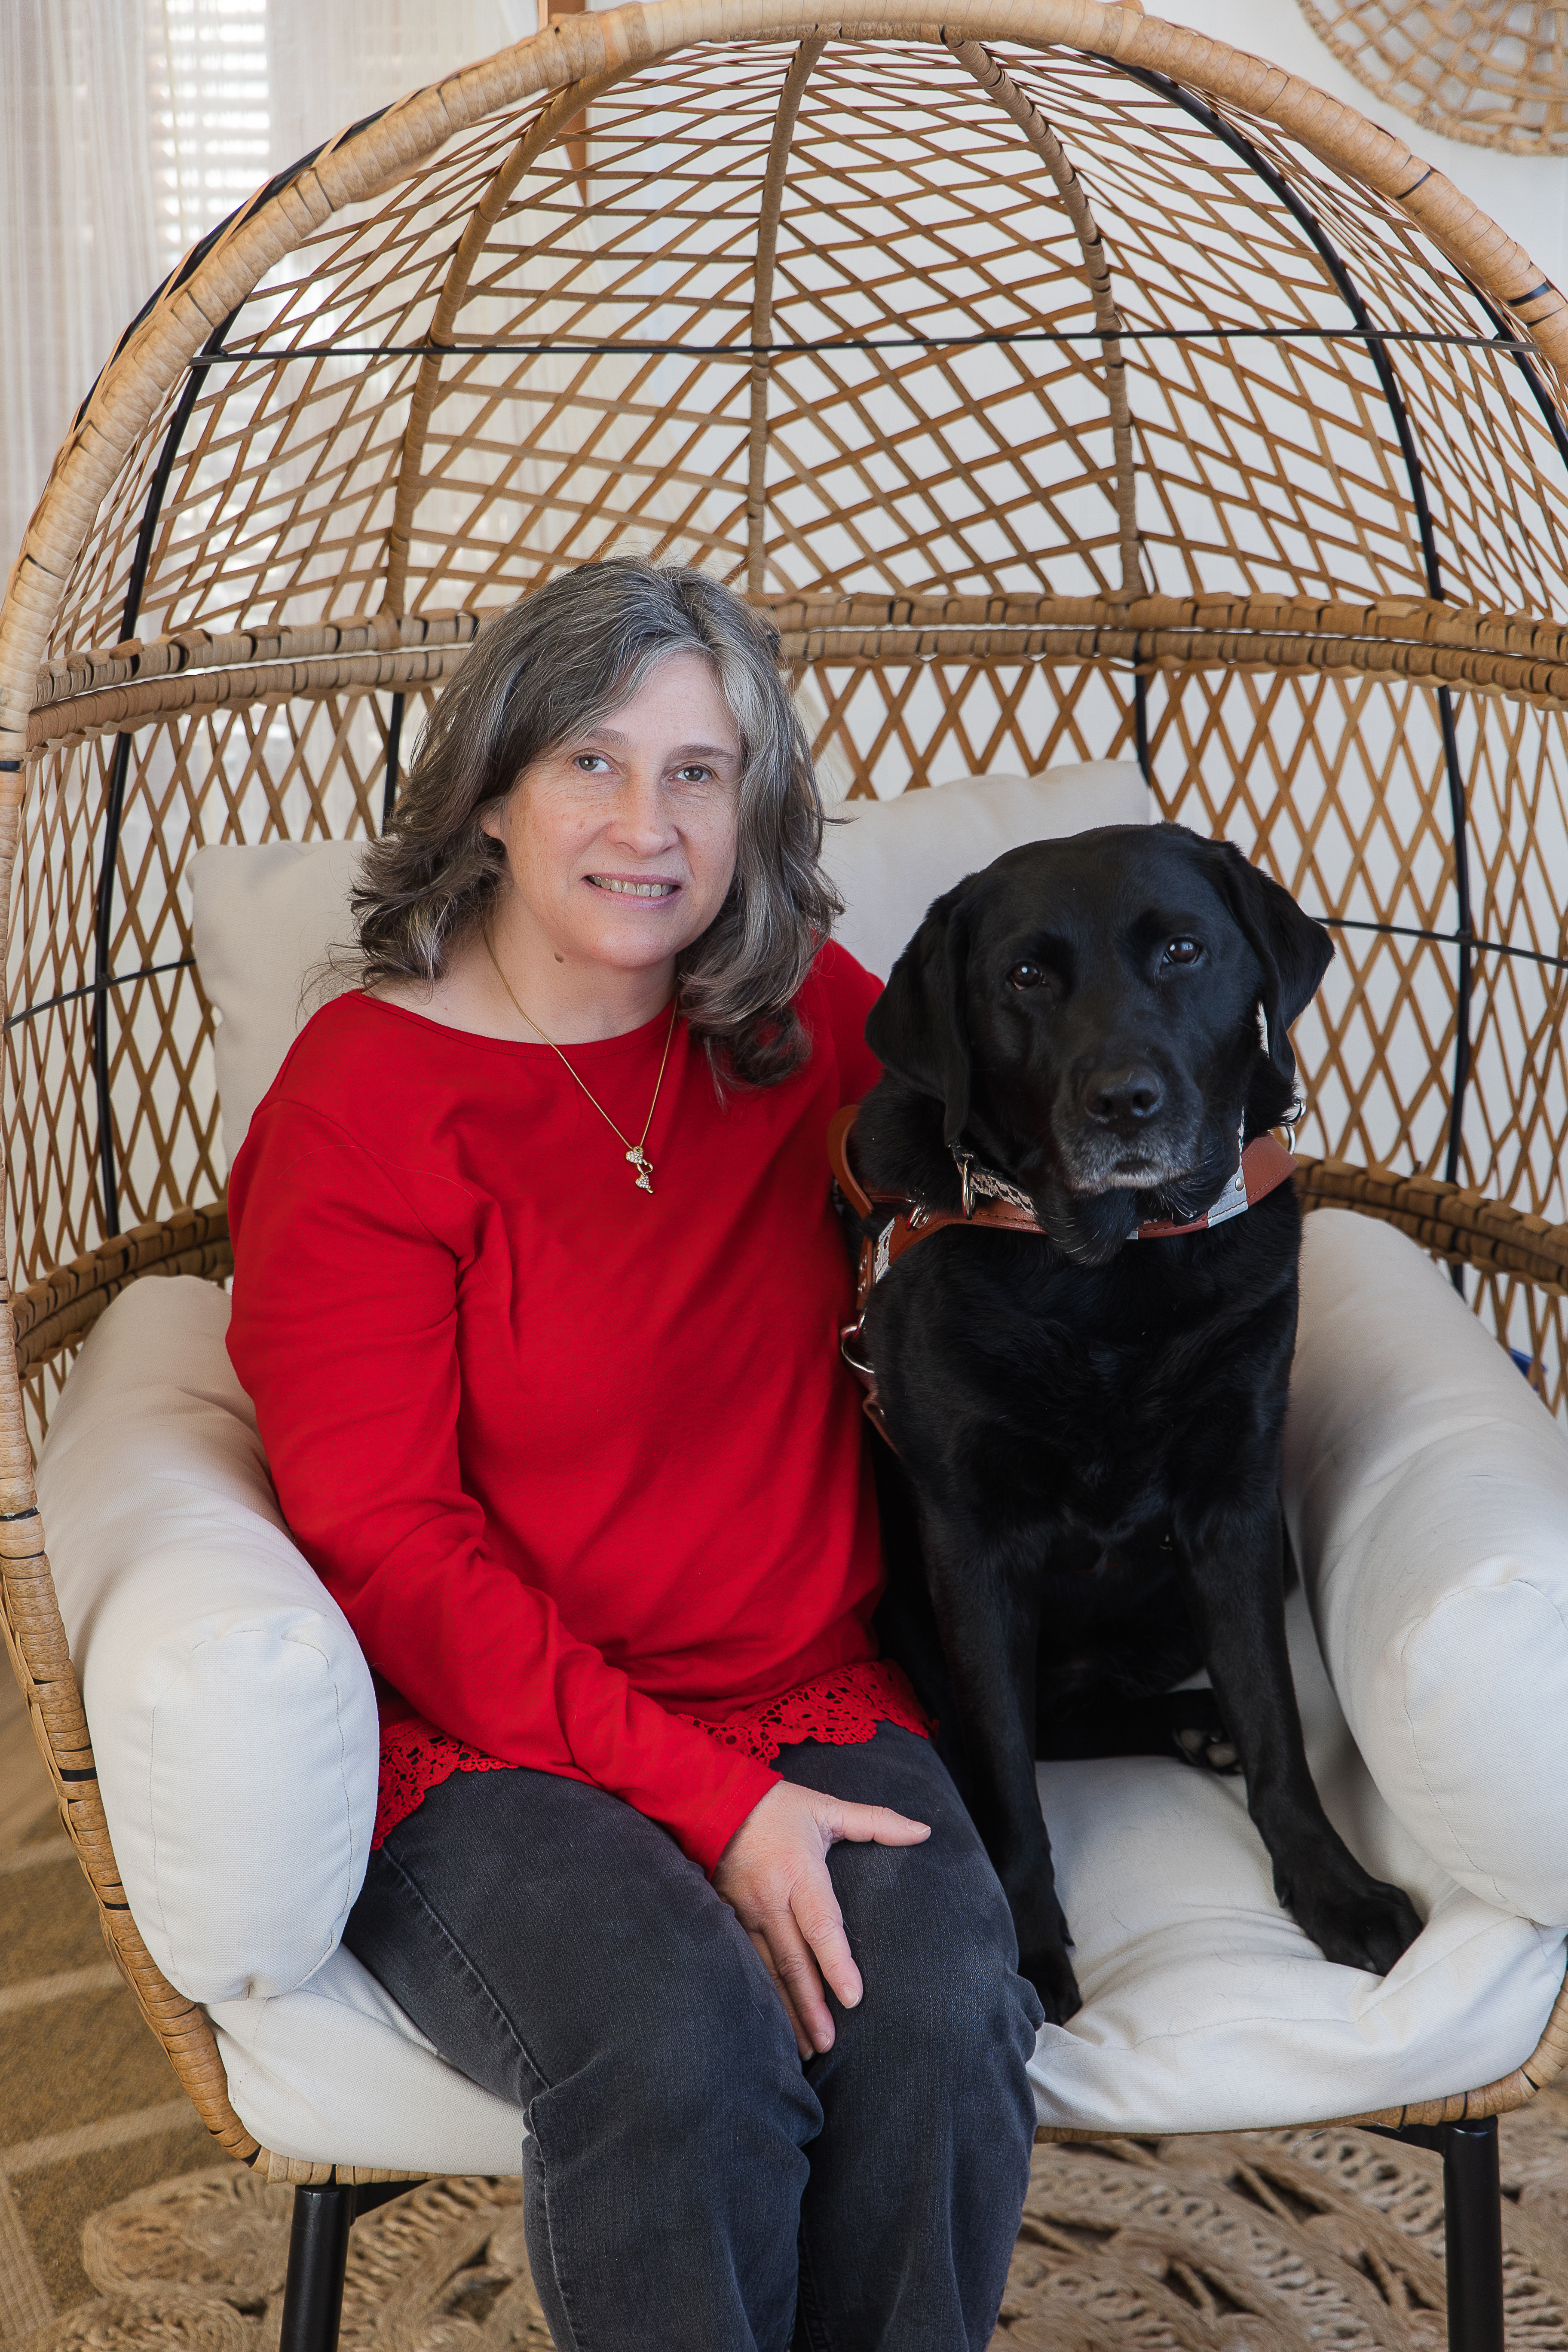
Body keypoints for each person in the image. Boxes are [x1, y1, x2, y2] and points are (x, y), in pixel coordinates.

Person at [226, 558, 1044, 2352]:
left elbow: (1038, 1123)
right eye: (594, 764)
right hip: (488, 1736)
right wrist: (714, 1807)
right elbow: (386, 1544)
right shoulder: (366, 1103)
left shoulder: (806, 1021)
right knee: (681, 2047)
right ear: (495, 793)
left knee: (946, 2018)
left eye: (702, 772)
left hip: (803, 1681)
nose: (647, 824)